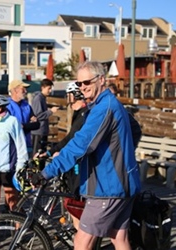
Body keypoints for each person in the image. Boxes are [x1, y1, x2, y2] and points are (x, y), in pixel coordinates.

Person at [32, 61, 141, 250]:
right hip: (122, 182)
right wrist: (121, 155)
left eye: (87, 83)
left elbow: (81, 145)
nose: (82, 87)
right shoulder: (109, 104)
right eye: (79, 83)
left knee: (82, 242)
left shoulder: (103, 108)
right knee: (119, 237)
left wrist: (46, 173)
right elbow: (135, 129)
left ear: (101, 80)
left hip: (108, 188)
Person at [38, 81, 88, 230]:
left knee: (76, 201)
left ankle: (81, 236)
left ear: (75, 95)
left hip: (79, 163)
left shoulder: (84, 115)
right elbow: (69, 138)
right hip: (74, 161)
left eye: (69, 95)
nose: (67, 98)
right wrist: (50, 152)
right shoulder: (78, 113)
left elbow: (72, 140)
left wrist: (55, 152)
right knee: (72, 200)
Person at [7, 79, 40, 156]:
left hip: (26, 144)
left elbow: (37, 124)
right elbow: (10, 127)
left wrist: (23, 126)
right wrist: (27, 125)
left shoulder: (27, 106)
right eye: (23, 89)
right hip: (12, 146)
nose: (26, 91)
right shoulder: (7, 106)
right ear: (15, 90)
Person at [31, 78, 59, 158]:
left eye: (51, 88)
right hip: (38, 132)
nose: (50, 91)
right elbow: (38, 116)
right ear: (42, 87)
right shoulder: (38, 98)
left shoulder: (43, 98)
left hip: (42, 131)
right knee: (37, 155)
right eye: (48, 88)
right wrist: (51, 111)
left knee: (42, 155)